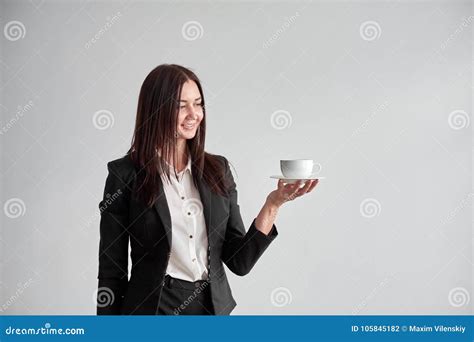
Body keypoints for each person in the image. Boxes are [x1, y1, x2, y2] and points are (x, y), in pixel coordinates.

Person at [96, 64, 319, 315]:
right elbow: (111, 271)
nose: (194, 113)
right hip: (153, 310)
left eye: (198, 103)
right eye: (181, 105)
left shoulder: (218, 170)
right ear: (156, 109)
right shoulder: (124, 175)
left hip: (211, 309)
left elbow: (239, 261)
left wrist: (273, 204)